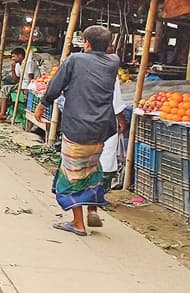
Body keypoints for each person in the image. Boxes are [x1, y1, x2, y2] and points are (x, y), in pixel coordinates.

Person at [36, 25, 121, 237]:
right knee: (92, 167)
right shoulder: (113, 62)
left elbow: (56, 85)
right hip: (102, 127)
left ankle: (78, 224)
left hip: (78, 127)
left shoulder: (76, 60)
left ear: (87, 44)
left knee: (72, 174)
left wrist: (43, 103)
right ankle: (92, 208)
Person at [0, 47, 37, 122]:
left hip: (31, 85)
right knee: (4, 89)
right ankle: (2, 113)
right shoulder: (17, 65)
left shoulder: (29, 62)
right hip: (21, 84)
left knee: (6, 89)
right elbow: (15, 80)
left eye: (14, 56)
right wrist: (13, 69)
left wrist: (28, 92)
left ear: (20, 55)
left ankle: (3, 112)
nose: (12, 58)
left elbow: (31, 79)